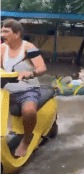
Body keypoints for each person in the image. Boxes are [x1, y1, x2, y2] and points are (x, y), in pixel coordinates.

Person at [0, 19, 47, 157]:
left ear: (17, 34)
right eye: (1, 31)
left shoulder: (28, 48)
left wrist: (30, 73)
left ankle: (27, 139)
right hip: (5, 90)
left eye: (6, 31)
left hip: (28, 90)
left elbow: (42, 68)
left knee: (29, 111)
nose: (2, 34)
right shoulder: (2, 48)